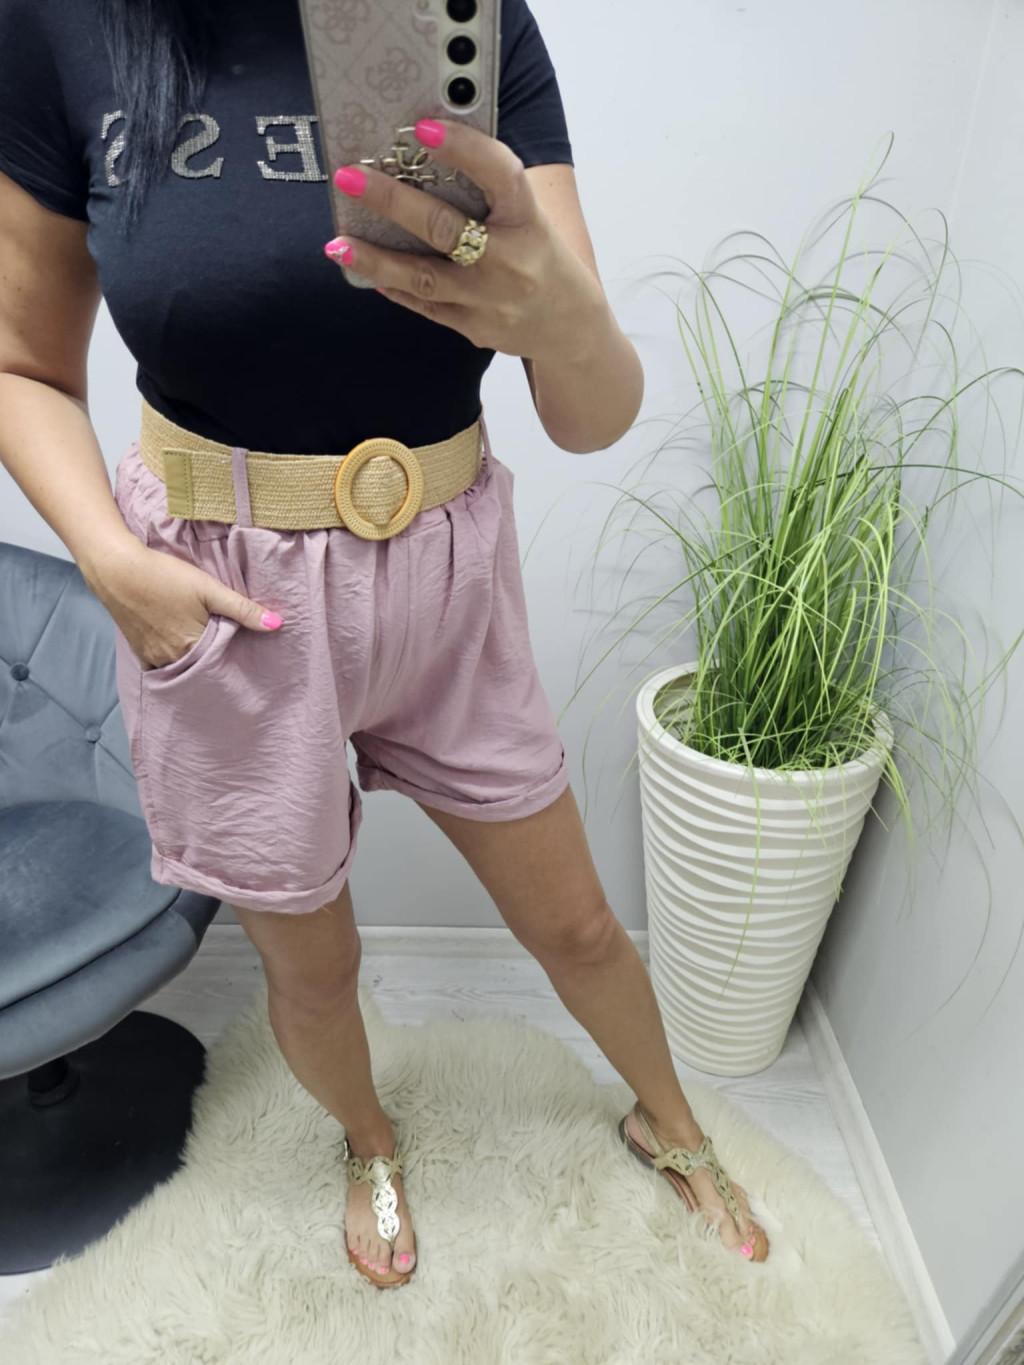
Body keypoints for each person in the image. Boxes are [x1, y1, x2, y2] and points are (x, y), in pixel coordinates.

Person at [0, 0, 769, 1291]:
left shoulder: (459, 20)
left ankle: (671, 1121)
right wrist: (112, 565)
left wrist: (560, 314)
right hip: (224, 600)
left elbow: (593, 414)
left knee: (578, 923)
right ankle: (369, 1141)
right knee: (316, 966)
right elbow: (21, 362)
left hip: (447, 580)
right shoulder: (61, 24)